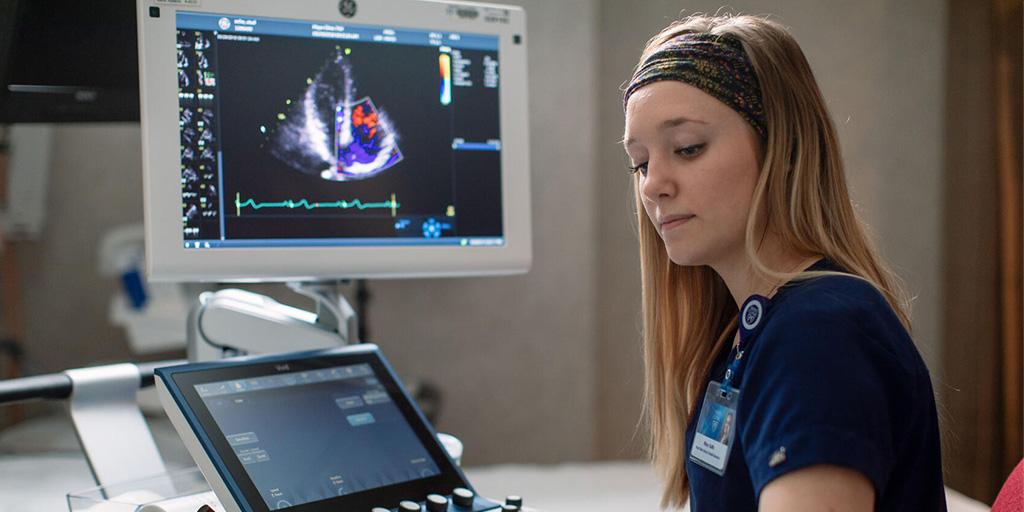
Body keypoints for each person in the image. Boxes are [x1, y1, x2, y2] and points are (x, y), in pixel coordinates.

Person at [621, 13, 946, 511]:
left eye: (688, 148)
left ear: (784, 147)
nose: (652, 184)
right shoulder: (751, 329)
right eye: (640, 162)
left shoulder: (820, 334)